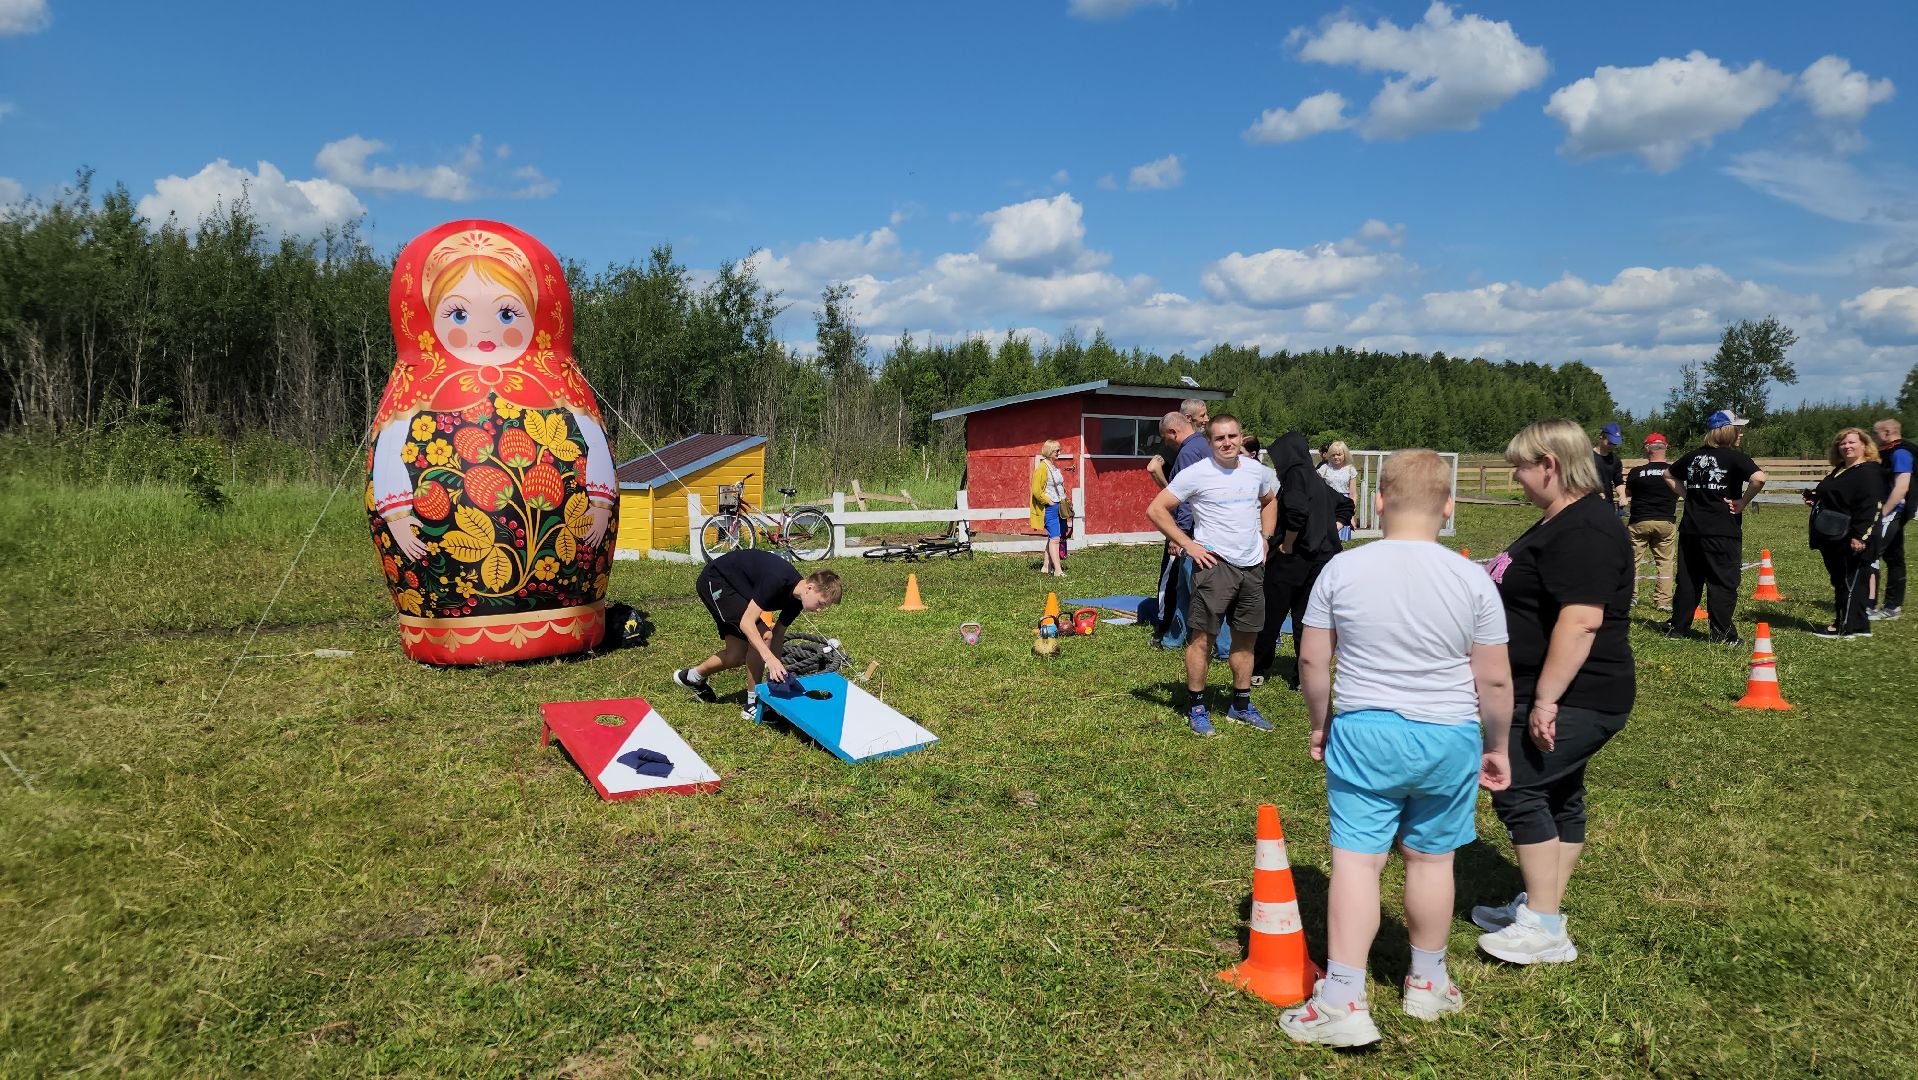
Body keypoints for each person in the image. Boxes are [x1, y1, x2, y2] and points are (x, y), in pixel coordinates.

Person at [1279, 450, 1513, 1047]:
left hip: (1365, 732)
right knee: (1432, 860)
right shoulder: (1473, 578)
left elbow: (1312, 658)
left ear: (1376, 503)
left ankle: (1344, 998)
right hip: (1451, 736)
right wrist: (1498, 745)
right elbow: (1493, 680)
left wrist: (1317, 722)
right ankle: (1428, 983)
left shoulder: (1340, 570)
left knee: (1358, 861)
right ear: (1448, 507)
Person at [1473, 419, 1634, 967]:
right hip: (1561, 690)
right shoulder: (1560, 520)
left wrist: (1546, 699)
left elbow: (1582, 620)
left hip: (1577, 694)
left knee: (1518, 789)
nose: (1515, 477)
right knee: (1561, 793)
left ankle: (1543, 925)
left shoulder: (1585, 528)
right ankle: (1542, 906)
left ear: (1550, 464)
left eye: (1520, 466)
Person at [1147, 414, 1277, 736]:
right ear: (1210, 442)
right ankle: (1197, 706)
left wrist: (1266, 537)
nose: (1227, 443)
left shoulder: (1256, 471)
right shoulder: (1197, 473)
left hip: (1252, 568)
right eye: (1220, 438)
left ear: (1241, 436)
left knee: (1246, 640)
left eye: (1232, 436)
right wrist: (1188, 544)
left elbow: (1270, 500)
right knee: (1201, 639)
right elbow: (1156, 509)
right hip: (1214, 567)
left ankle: (1241, 705)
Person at [674, 551, 843, 719]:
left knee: (737, 655)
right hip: (717, 580)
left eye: (825, 606)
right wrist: (769, 659)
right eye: (821, 603)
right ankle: (752, 703)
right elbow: (747, 623)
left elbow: (778, 636)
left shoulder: (796, 602)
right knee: (763, 636)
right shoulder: (778, 580)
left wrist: (776, 675)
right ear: (810, 588)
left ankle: (691, 677)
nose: (820, 610)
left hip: (738, 589)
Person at [1665, 410, 1767, 643]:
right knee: (1722, 581)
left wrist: (1687, 495)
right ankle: (1722, 634)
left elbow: (1668, 474)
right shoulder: (1734, 458)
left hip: (1691, 529)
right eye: (1737, 428)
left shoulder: (1692, 456)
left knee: (1689, 580)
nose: (1740, 433)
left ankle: (1678, 630)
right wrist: (1742, 502)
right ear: (1725, 430)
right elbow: (1759, 478)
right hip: (1722, 530)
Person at [1254, 433, 1342, 688]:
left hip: (1293, 558)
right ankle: (1303, 674)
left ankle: (1258, 667)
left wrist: (1288, 541)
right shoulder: (1315, 476)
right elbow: (1345, 504)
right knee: (1307, 617)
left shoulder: (1295, 475)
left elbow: (1296, 510)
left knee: (1271, 613)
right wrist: (1332, 526)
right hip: (1322, 559)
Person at [1805, 429, 1885, 638]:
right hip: (1834, 535)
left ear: (1864, 445)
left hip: (1853, 536)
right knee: (1843, 580)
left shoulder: (1869, 471)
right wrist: (1815, 498)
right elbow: (1835, 494)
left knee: (1850, 582)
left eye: (1851, 442)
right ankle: (1860, 626)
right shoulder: (1842, 469)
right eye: (1842, 443)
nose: (1846, 446)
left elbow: (1872, 506)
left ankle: (1843, 627)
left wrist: (1861, 536)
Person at [1623, 433, 1679, 610]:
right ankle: (1663, 601)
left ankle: (1630, 596)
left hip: (1639, 521)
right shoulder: (1673, 472)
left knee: (1632, 560)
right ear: (1665, 448)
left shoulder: (1636, 472)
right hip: (1665, 522)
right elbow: (1678, 492)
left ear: (1647, 450)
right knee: (1665, 562)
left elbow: (1628, 493)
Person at [1869, 418, 1911, 621]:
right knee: (1895, 558)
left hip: (1891, 512)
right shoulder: (1889, 452)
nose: (1874, 438)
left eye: (1875, 433)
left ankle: (1868, 606)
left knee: (1870, 555)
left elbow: (1902, 486)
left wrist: (1884, 512)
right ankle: (1892, 607)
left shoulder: (1900, 453)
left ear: (1887, 432)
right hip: (1890, 512)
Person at [1029, 440, 1068, 577]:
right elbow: (1036, 490)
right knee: (1055, 538)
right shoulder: (1042, 468)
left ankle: (1046, 566)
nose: (1059, 452)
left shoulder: (1053, 466)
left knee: (1054, 536)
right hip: (1050, 507)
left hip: (1059, 505)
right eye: (1057, 450)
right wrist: (1049, 502)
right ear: (1049, 451)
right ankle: (1058, 570)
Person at [1317, 441, 1357, 540]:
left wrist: (1351, 514)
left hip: (1343, 506)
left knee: (1339, 539)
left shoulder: (1350, 470)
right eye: (1333, 455)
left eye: (1339, 454)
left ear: (1345, 454)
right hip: (1327, 505)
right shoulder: (1324, 468)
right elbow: (1317, 489)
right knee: (1326, 537)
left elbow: (1353, 495)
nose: (1336, 457)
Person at [1592, 423, 1625, 511]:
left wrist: (1622, 495)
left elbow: (1618, 482)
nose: (1612, 446)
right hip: (1588, 502)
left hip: (1607, 504)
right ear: (1601, 437)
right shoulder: (1587, 456)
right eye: (1610, 443)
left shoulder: (1615, 460)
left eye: (1615, 444)